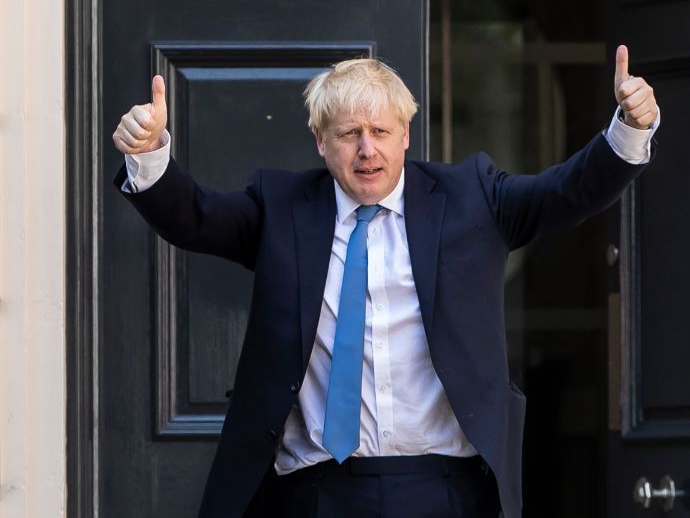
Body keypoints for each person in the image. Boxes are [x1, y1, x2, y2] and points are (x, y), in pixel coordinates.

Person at [112, 45, 659, 518]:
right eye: (349, 134)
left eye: (380, 132)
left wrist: (628, 130)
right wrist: (150, 154)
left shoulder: (473, 197)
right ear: (320, 142)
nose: (366, 150)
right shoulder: (281, 207)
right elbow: (198, 218)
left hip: (443, 487)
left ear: (405, 136)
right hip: (315, 491)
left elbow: (566, 192)